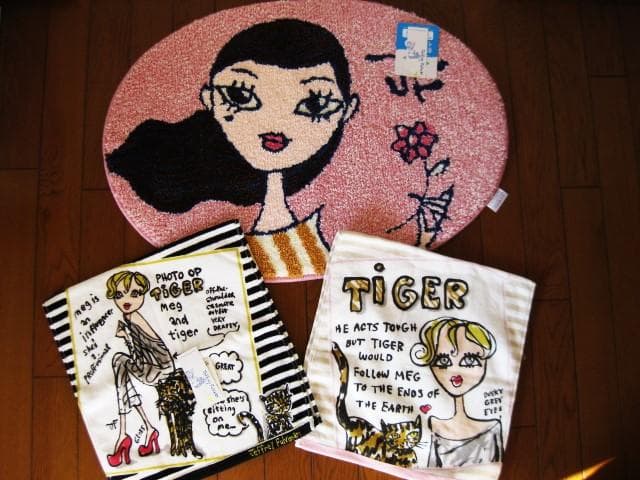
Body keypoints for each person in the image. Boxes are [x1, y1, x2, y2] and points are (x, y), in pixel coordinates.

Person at [106, 19, 359, 279]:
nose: (274, 123)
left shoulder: (323, 228)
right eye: (240, 95)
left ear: (348, 111)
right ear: (209, 100)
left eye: (315, 103)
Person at [410, 317, 503, 467]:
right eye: (443, 361)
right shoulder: (434, 426)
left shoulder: (492, 427)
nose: (455, 370)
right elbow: (430, 468)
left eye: (469, 360)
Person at [105, 271, 174, 467]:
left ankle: (124, 435)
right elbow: (139, 354)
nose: (126, 300)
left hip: (161, 370)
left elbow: (143, 353)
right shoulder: (129, 316)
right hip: (151, 367)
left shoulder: (134, 317)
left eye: (134, 294)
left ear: (143, 294)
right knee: (120, 365)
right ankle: (148, 429)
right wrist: (127, 336)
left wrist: (127, 337)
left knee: (119, 362)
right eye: (119, 295)